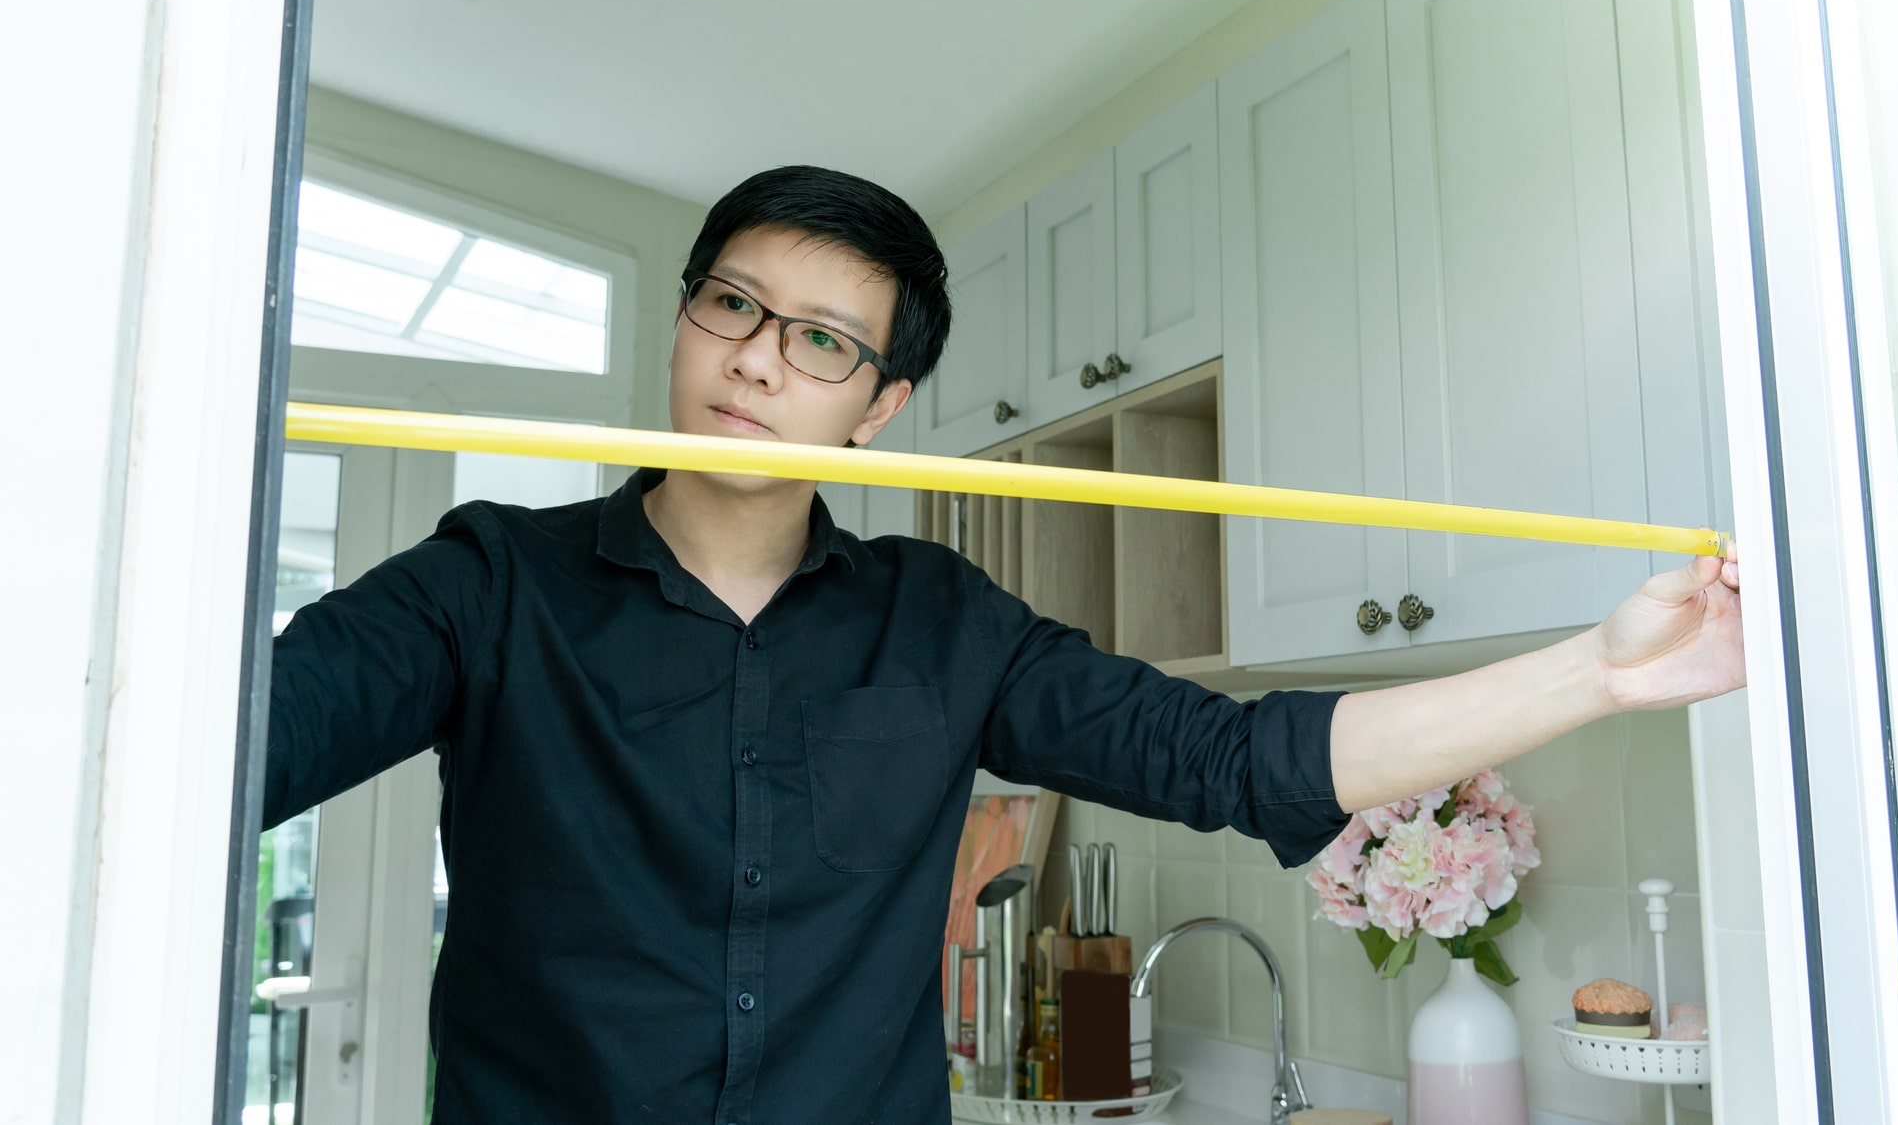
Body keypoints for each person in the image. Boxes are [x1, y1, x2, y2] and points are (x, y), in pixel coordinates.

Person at [264, 165, 1745, 1123]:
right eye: (733, 305)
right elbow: (227, 746)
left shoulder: (945, 622)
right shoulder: (484, 586)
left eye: (823, 342)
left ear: (879, 406)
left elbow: (1240, 757)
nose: (760, 359)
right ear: (687, 318)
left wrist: (1601, 673)